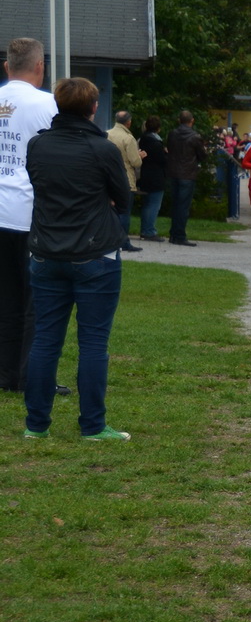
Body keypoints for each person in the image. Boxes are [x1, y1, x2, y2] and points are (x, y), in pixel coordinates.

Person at [22, 77, 131, 440]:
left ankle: (36, 426)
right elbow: (123, 197)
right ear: (93, 108)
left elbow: (41, 184)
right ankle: (93, 426)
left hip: (46, 250)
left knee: (45, 340)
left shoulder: (38, 145)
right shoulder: (102, 150)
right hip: (95, 253)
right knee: (94, 342)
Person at [0, 37, 58, 393]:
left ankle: (5, 373)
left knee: (5, 297)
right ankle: (28, 376)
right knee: (36, 299)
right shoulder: (47, 104)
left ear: (7, 66)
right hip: (29, 211)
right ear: (40, 67)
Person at [164, 110, 205, 246]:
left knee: (175, 204)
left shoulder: (172, 134)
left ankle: (173, 234)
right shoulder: (195, 137)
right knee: (183, 206)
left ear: (179, 120)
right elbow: (202, 155)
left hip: (173, 172)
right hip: (187, 174)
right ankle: (180, 235)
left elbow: (169, 149)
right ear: (191, 121)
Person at [106, 111, 144, 252]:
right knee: (124, 212)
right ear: (128, 122)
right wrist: (140, 156)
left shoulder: (107, 134)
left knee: (111, 212)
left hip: (108, 178)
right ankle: (123, 242)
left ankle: (110, 239)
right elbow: (135, 162)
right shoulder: (129, 138)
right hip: (125, 179)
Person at [136, 115, 167, 243]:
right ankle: (149, 230)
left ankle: (145, 229)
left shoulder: (143, 139)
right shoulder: (156, 142)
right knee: (154, 204)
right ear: (158, 128)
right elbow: (162, 160)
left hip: (145, 174)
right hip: (156, 176)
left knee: (147, 204)